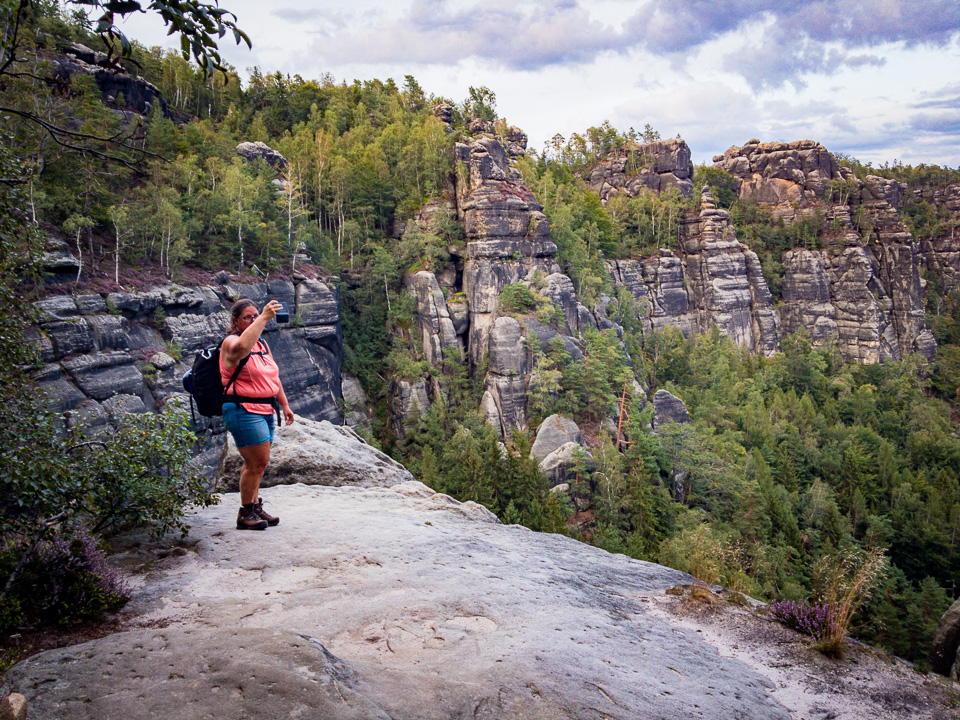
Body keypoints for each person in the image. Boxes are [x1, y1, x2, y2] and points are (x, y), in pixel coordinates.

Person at [220, 298, 295, 530]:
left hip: (264, 408)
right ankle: (245, 514)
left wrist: (284, 404)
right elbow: (241, 349)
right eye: (248, 317)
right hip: (242, 409)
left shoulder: (262, 345)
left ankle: (254, 506)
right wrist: (263, 317)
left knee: (255, 463)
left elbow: (273, 376)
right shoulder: (230, 342)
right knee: (258, 462)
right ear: (235, 321)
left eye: (255, 316)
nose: (253, 319)